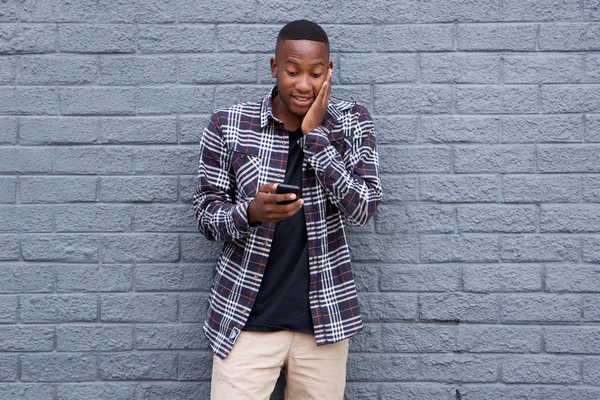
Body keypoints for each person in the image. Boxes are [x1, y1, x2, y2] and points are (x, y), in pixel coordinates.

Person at [193, 19, 381, 400]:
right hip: (245, 319)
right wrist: (249, 213)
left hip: (324, 320)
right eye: (292, 72)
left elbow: (363, 208)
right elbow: (205, 214)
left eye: (315, 73)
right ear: (274, 67)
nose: (303, 85)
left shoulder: (352, 122)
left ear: (329, 71)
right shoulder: (228, 124)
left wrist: (315, 139)